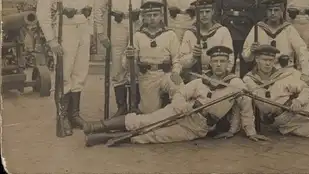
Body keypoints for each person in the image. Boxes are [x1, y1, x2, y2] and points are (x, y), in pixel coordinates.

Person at [83, 45, 269, 146]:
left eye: (222, 61)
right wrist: (181, 106)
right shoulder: (200, 80)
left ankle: (102, 138)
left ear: (228, 63)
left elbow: (245, 108)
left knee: (153, 136)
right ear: (210, 64)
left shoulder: (236, 84)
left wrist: (248, 132)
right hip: (181, 112)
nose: (218, 65)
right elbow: (181, 91)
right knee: (144, 121)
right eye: (215, 61)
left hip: (197, 128)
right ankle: (96, 127)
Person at [36, 0, 94, 136]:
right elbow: (43, 13)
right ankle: (62, 117)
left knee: (80, 73)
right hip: (64, 31)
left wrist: (91, 32)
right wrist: (52, 40)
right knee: (64, 74)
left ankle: (74, 114)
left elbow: (91, 8)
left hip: (83, 30)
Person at [94, 0, 151, 117]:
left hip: (137, 26)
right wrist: (101, 32)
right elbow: (98, 8)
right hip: (117, 25)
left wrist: (147, 28)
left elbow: (148, 6)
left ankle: (135, 104)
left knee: (136, 64)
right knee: (118, 65)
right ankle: (121, 106)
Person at [123, 1, 184, 114]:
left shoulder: (170, 35)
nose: (152, 18)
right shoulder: (137, 36)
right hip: (147, 77)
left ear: (161, 16)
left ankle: (176, 116)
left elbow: (177, 58)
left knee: (179, 89)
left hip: (166, 74)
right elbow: (127, 64)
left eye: (155, 15)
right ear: (143, 18)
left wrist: (176, 72)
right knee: (149, 112)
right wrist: (129, 57)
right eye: (148, 15)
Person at [212, 0, 265, 78]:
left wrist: (256, 28)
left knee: (248, 61)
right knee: (225, 60)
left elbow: (261, 7)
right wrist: (219, 28)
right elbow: (216, 8)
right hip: (228, 26)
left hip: (247, 27)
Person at [241, 0, 309, 78]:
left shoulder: (288, 29)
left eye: (276, 10)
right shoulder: (258, 28)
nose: (273, 13)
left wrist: (305, 73)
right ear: (266, 12)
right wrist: (251, 51)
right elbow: (246, 57)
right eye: (270, 10)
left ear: (282, 12)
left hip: (285, 72)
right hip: (262, 73)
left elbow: (302, 50)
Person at [178, 0, 234, 76]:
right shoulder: (189, 33)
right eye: (201, 12)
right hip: (194, 75)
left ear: (213, 12)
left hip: (217, 76)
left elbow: (230, 58)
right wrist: (193, 56)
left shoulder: (222, 31)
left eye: (207, 12)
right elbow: (182, 61)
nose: (204, 15)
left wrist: (222, 75)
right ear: (196, 13)